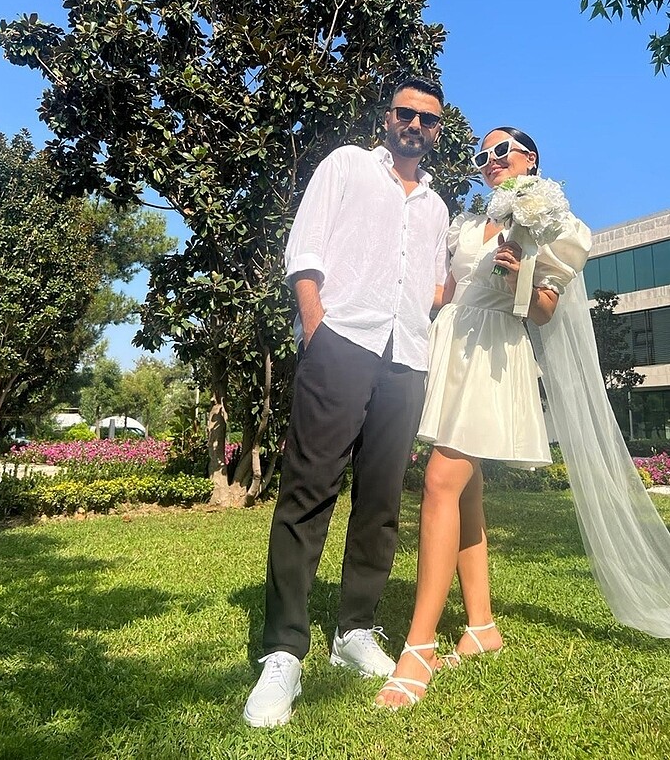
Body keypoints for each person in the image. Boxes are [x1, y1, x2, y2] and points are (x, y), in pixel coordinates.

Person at [377, 125, 670, 710]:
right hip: (450, 348)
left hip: (492, 355)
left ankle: (420, 646)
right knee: (465, 493)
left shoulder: (555, 224)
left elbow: (542, 312)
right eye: (481, 155)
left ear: (529, 159)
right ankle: (482, 626)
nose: (488, 161)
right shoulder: (469, 223)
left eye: (500, 152)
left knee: (440, 481)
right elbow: (446, 294)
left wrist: (520, 274)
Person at [243, 77, 451, 727]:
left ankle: (354, 630)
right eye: (406, 112)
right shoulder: (347, 165)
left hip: (406, 358)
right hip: (343, 342)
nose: (415, 124)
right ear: (387, 118)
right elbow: (304, 248)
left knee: (381, 503)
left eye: (428, 119)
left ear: (437, 131)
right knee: (309, 492)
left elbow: (433, 287)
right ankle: (284, 651)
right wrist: (317, 328)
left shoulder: (438, 209)